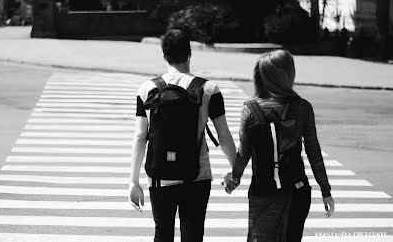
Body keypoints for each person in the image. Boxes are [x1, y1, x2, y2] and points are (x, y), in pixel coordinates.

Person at [129, 29, 237, 242]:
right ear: (190, 54)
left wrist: (133, 181)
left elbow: (140, 136)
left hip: (159, 175)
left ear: (164, 56)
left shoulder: (147, 89)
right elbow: (224, 136)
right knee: (193, 234)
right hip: (197, 175)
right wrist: (236, 170)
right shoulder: (209, 89)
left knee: (162, 233)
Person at [222, 50, 335, 242]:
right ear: (288, 75)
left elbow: (244, 152)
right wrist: (325, 191)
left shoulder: (250, 109)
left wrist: (234, 178)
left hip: (263, 191)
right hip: (296, 191)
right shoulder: (303, 108)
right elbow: (313, 152)